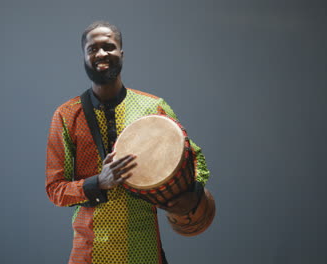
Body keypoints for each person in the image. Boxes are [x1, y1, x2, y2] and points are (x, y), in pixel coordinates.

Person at [46, 21, 215, 264]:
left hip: (143, 250)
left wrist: (194, 191)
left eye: (109, 47)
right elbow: (55, 189)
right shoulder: (66, 115)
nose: (101, 53)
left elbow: (194, 156)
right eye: (93, 49)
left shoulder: (152, 107)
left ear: (121, 54)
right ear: (83, 57)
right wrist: (98, 183)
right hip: (90, 253)